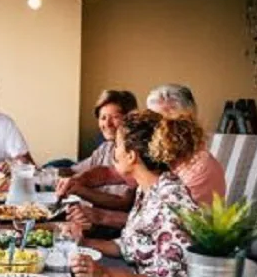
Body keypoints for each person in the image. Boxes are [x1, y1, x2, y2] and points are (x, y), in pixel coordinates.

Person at [58, 84, 225, 229]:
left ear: (185, 124)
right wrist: (78, 181)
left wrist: (101, 217)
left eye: (159, 123)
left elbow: (163, 224)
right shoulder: (159, 152)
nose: (151, 129)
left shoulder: (199, 168)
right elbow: (110, 173)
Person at [69, 110, 200, 277]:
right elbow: (131, 245)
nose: (113, 152)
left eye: (117, 145)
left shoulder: (170, 202)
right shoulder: (147, 189)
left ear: (131, 156)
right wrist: (83, 242)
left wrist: (104, 274)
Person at [61, 90, 137, 213]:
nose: (107, 124)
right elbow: (75, 170)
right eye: (103, 118)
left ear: (131, 118)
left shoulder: (136, 152)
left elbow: (123, 203)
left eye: (115, 117)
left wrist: (79, 189)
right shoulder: (105, 148)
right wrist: (40, 175)